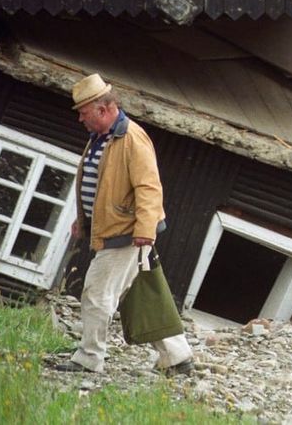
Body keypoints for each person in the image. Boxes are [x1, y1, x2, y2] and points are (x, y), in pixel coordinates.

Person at [52, 73, 194, 376]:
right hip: (117, 229)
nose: (80, 119)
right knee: (137, 291)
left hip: (126, 233)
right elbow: (102, 184)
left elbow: (149, 186)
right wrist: (85, 218)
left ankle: (89, 358)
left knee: (96, 293)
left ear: (103, 109)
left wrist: (144, 229)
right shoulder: (102, 138)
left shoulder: (131, 137)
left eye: (83, 112)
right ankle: (177, 357)